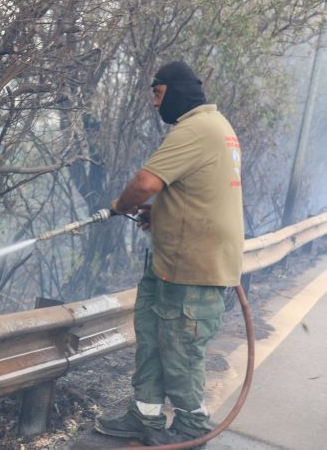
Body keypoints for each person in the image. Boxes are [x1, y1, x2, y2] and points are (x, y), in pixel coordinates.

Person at [94, 60, 244, 447]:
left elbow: (145, 182)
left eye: (157, 95)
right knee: (154, 338)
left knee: (180, 350)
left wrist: (123, 205)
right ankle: (145, 415)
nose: (153, 104)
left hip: (191, 268)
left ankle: (193, 428)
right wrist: (158, 213)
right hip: (174, 262)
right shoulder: (217, 127)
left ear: (175, 92)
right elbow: (196, 193)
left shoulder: (195, 128)